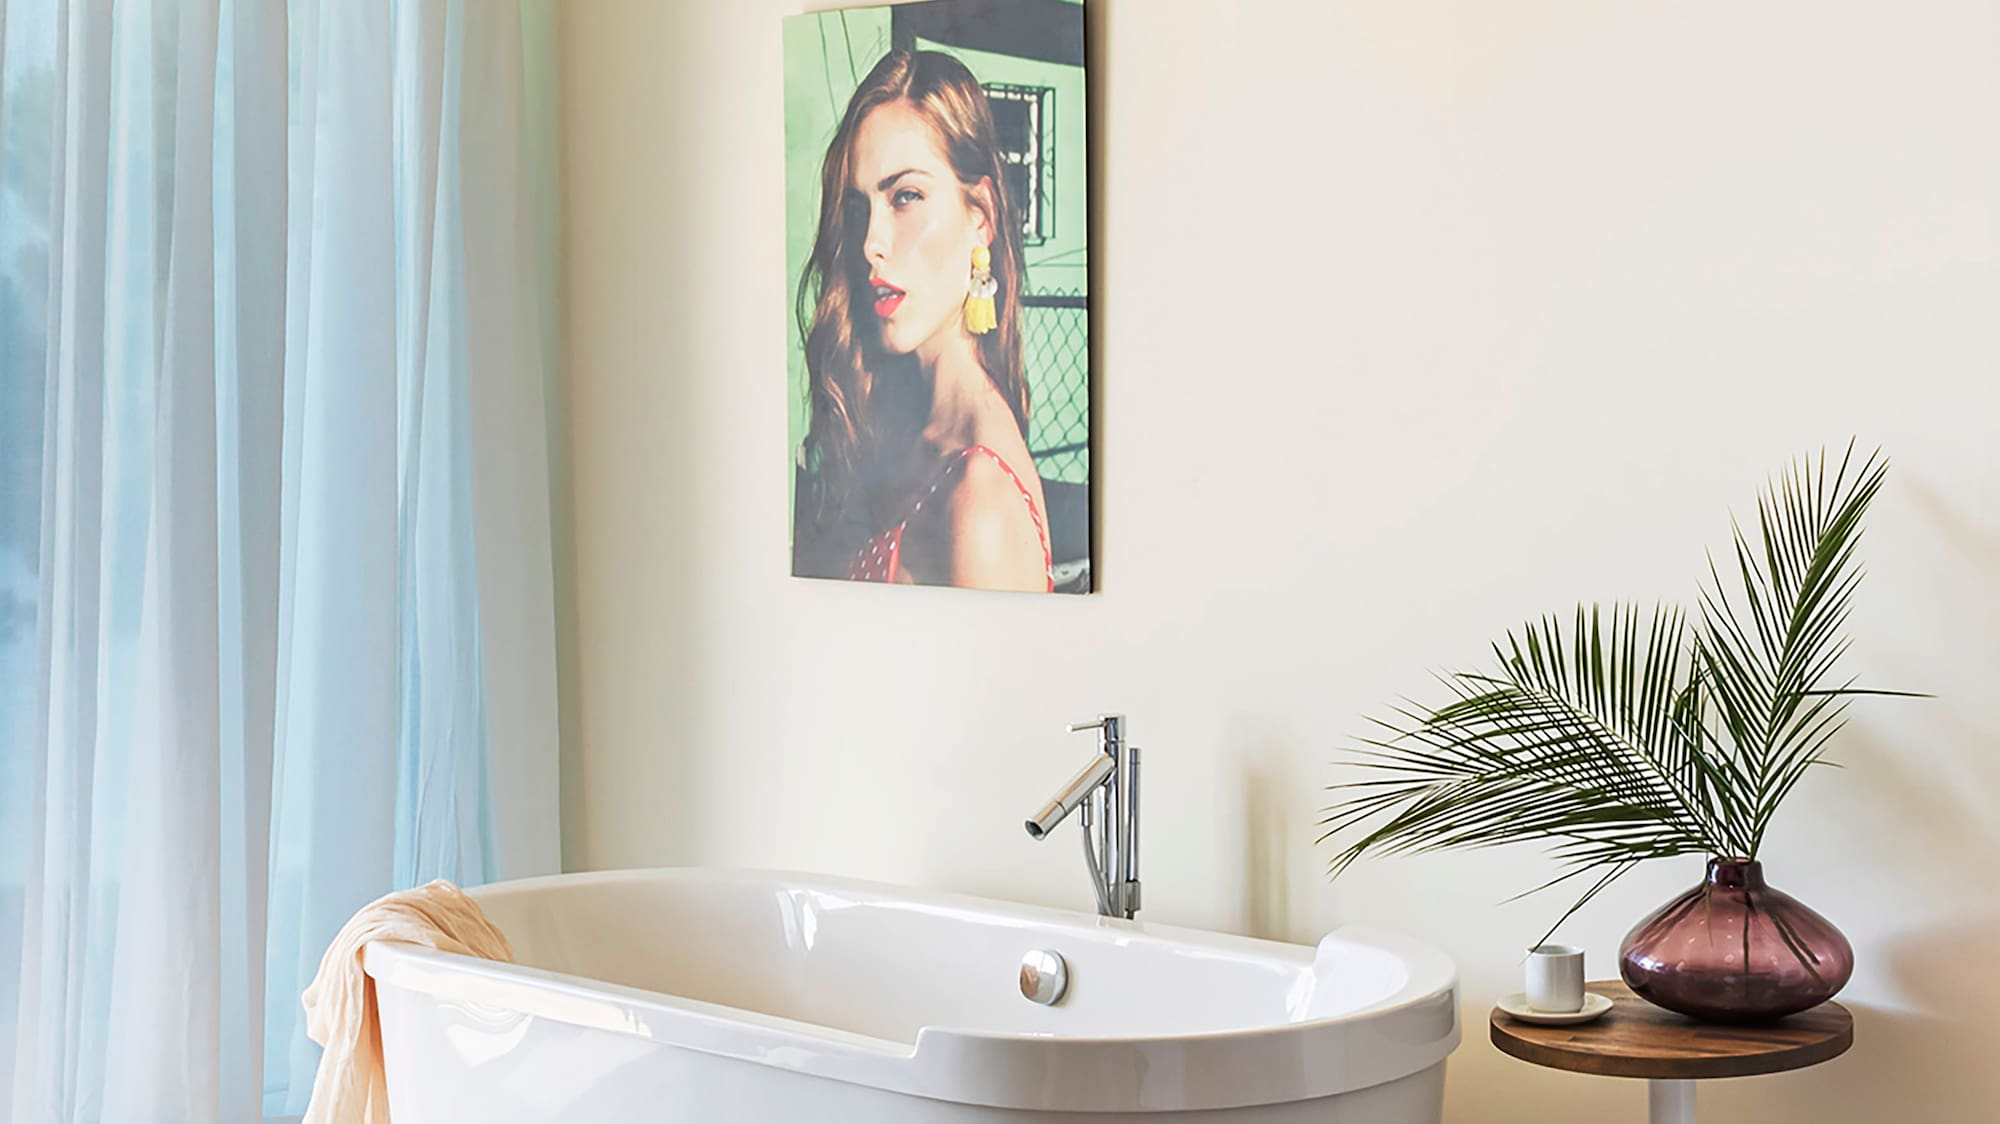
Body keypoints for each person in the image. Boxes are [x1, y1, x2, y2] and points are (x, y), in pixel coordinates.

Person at [792, 48, 1053, 593]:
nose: (870, 245)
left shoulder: (980, 501)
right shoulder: (907, 426)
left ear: (979, 217)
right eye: (860, 208)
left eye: (906, 196)